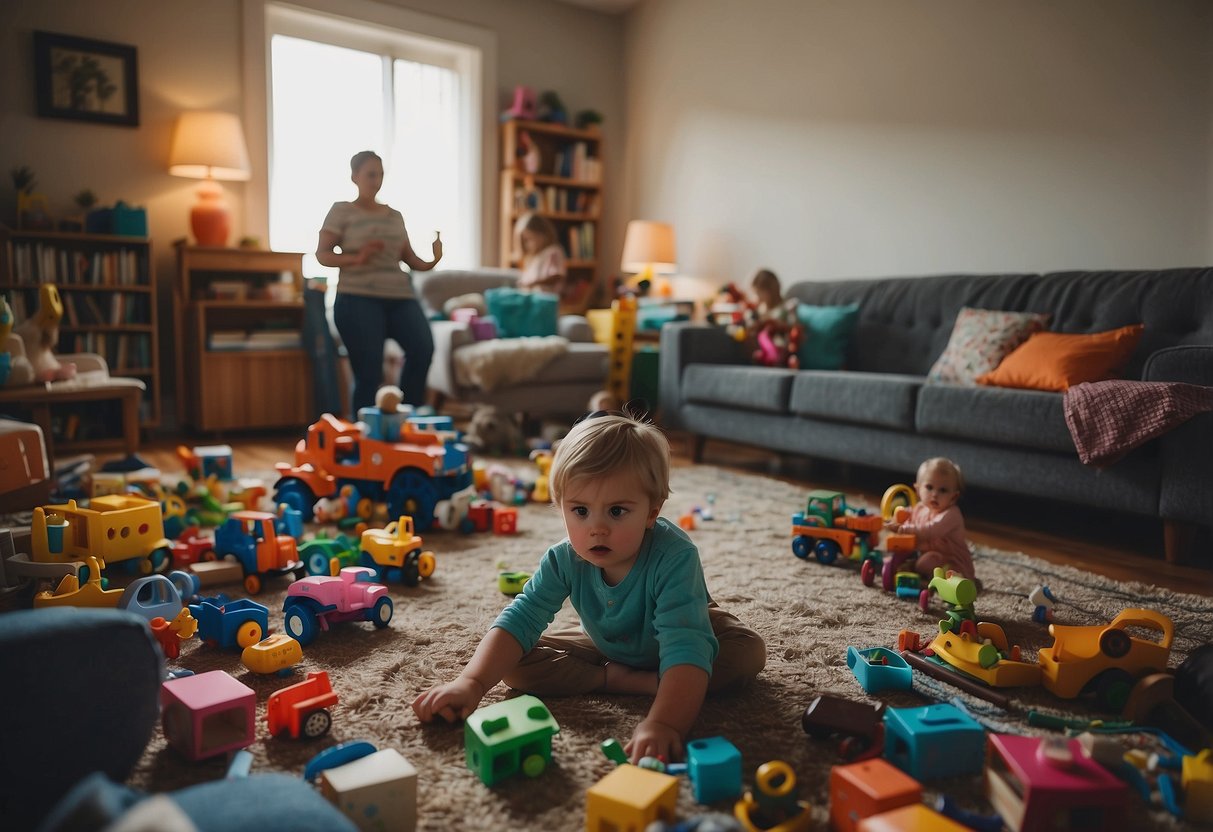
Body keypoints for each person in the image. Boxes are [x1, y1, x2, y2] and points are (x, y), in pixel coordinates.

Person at [412, 411, 766, 763]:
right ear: (560, 506)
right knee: (513, 664)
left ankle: (662, 686)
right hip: (606, 645)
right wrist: (470, 683)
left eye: (616, 511)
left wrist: (664, 724)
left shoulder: (674, 557)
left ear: (651, 512)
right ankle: (621, 680)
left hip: (685, 633)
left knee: (744, 654)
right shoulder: (564, 558)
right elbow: (520, 618)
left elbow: (687, 645)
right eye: (580, 510)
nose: (597, 528)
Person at [316, 150, 442, 415]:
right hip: (357, 296)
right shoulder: (342, 211)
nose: (377, 180)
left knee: (423, 347)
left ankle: (407, 416)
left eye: (381, 174)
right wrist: (358, 257)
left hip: (399, 295)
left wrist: (434, 259)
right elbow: (322, 255)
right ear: (355, 177)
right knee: (369, 369)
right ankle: (364, 432)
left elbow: (410, 259)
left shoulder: (394, 216)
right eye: (371, 174)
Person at [885, 457, 975, 580]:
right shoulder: (921, 507)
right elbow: (910, 513)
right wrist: (899, 516)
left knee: (926, 562)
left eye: (943, 490)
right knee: (904, 552)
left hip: (951, 562)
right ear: (918, 490)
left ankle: (928, 577)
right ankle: (918, 571)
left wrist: (903, 529)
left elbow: (930, 530)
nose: (935, 494)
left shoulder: (951, 514)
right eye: (929, 487)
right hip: (927, 554)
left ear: (954, 497)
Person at [748, 269, 800, 367]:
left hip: (781, 346)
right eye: (756, 293)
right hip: (761, 346)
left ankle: (774, 358)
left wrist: (777, 325)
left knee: (767, 335)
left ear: (772, 290)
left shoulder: (787, 306)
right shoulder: (760, 309)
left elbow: (794, 328)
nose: (758, 297)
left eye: (760, 293)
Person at [514, 212, 566, 294]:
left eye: (529, 239)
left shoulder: (553, 251)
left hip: (546, 302)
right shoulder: (535, 257)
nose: (527, 245)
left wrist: (535, 283)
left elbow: (557, 276)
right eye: (524, 241)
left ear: (542, 234)